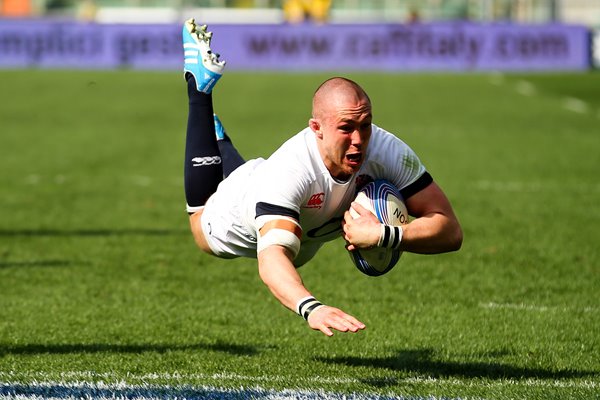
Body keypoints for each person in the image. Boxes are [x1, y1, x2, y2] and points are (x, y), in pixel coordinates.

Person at [181, 19, 463, 337]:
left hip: (275, 193)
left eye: (366, 124)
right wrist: (311, 307)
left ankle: (221, 143)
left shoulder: (385, 149)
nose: (359, 139)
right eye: (346, 128)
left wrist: (385, 235)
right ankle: (199, 91)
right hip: (239, 214)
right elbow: (272, 258)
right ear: (316, 129)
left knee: (264, 188)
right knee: (200, 224)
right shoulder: (291, 171)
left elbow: (450, 231)